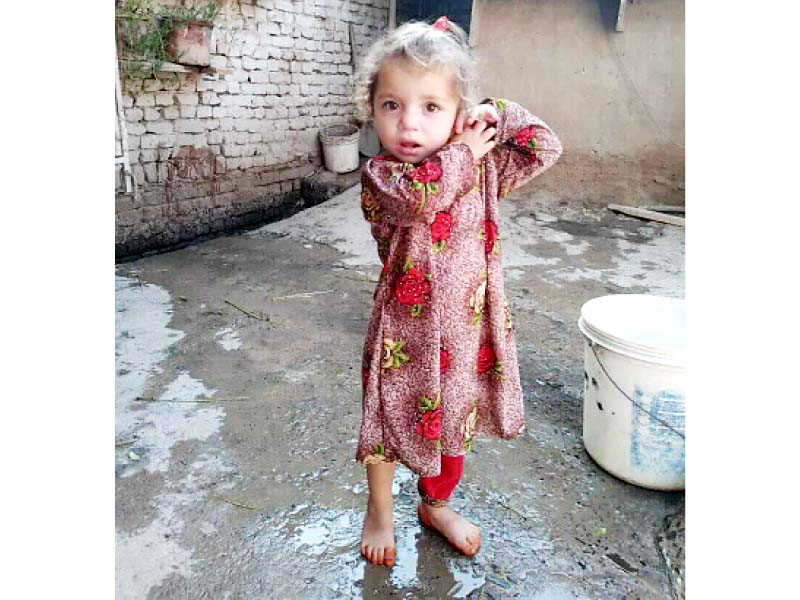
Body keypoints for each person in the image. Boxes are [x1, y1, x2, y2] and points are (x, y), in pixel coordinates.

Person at [353, 16, 563, 567]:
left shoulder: (482, 166)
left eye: (431, 107)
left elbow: (544, 145)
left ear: (456, 113)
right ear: (372, 109)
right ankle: (379, 509)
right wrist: (464, 150)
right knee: (387, 420)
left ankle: (436, 503)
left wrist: (495, 111)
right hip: (406, 331)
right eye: (391, 105)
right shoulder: (384, 177)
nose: (408, 124)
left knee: (454, 423)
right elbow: (423, 198)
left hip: (470, 327)